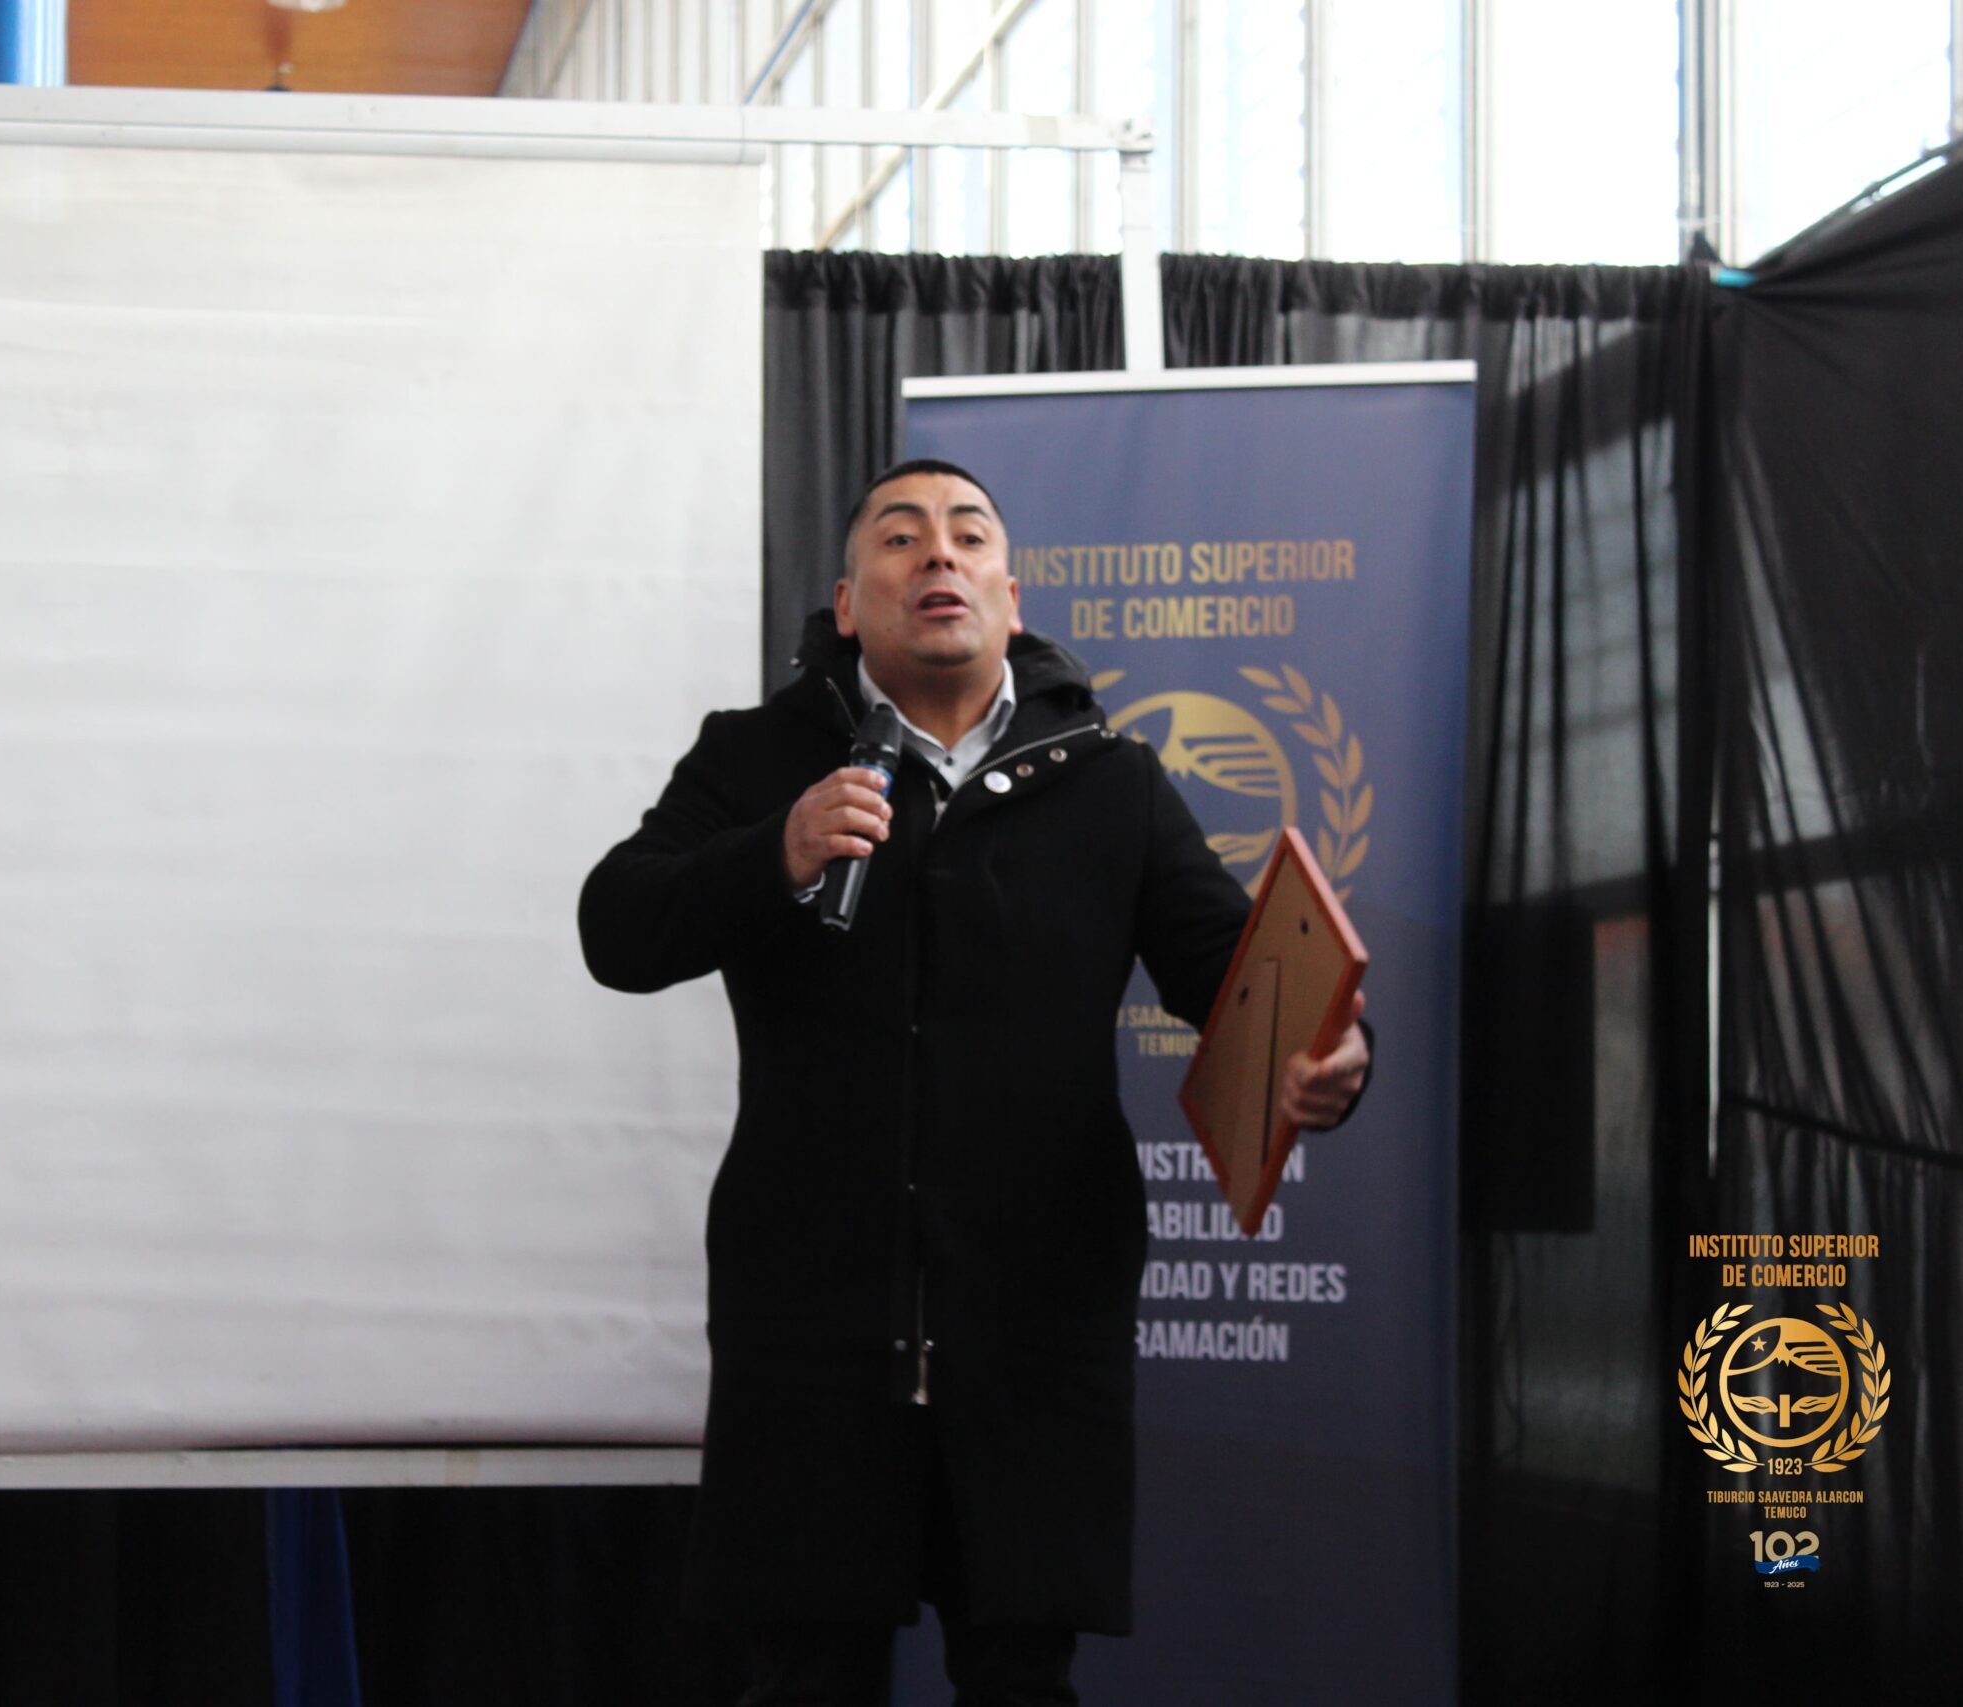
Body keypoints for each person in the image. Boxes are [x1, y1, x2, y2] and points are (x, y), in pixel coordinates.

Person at [578, 460, 1370, 1706]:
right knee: (802, 1676)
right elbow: (617, 930)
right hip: (813, 1322)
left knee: (1019, 1677)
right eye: (899, 538)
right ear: (849, 604)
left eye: (967, 535)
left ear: (1011, 595)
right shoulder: (757, 758)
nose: (937, 555)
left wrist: (1328, 1066)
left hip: (1032, 1320)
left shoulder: (1110, 780)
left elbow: (1235, 981)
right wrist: (774, 851)